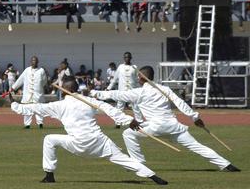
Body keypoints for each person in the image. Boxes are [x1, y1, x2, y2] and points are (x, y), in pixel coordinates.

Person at [10, 78, 167, 185]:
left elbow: (37, 108)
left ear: (66, 90)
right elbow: (109, 108)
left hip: (77, 144)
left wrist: (15, 104)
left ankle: (49, 176)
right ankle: (153, 176)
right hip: (99, 142)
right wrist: (128, 121)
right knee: (123, 158)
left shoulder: (59, 105)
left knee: (49, 139)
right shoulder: (89, 101)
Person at [91, 66, 240, 173]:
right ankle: (226, 165)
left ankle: (138, 163)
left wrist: (94, 93)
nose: (137, 78)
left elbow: (116, 95)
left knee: (127, 134)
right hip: (173, 126)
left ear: (143, 77)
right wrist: (195, 118)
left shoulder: (138, 93)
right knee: (197, 146)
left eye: (139, 76)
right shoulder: (165, 89)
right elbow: (180, 103)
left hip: (155, 126)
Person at [11, 56, 47, 129]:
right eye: (33, 61)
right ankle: (27, 124)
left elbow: (44, 81)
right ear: (30, 62)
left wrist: (39, 87)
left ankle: (40, 124)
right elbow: (20, 79)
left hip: (37, 94)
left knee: (39, 109)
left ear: (38, 62)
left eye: (35, 61)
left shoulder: (41, 70)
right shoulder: (27, 70)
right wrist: (13, 87)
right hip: (28, 94)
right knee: (27, 109)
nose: (34, 62)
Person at [108, 52, 138, 128]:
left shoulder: (134, 67)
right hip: (122, 91)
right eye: (125, 57)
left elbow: (137, 79)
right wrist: (108, 88)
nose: (127, 58)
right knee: (119, 107)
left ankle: (139, 122)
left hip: (132, 90)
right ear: (123, 58)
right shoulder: (120, 67)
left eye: (128, 57)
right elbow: (115, 79)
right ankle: (118, 123)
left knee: (135, 107)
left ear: (131, 58)